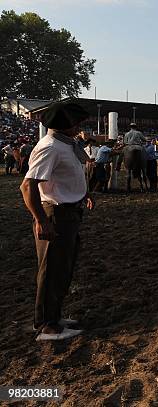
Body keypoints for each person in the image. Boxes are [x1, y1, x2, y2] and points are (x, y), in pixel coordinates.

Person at [20, 102, 95, 341]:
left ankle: (52, 316)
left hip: (68, 212)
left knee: (62, 267)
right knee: (52, 268)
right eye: (76, 122)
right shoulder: (51, 147)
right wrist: (41, 220)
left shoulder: (66, 145)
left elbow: (66, 176)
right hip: (56, 213)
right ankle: (46, 325)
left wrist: (84, 193)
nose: (79, 126)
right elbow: (27, 185)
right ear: (65, 125)